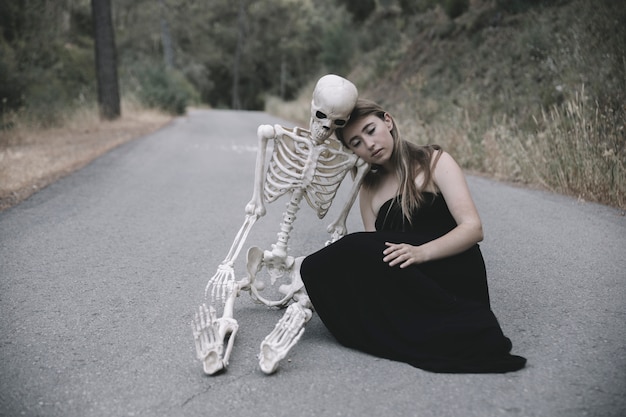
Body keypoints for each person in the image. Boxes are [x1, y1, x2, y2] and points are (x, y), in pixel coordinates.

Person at [300, 99, 526, 373]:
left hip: (451, 268)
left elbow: (472, 228)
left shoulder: (434, 161)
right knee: (314, 267)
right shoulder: (369, 189)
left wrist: (421, 252)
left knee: (352, 246)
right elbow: (376, 255)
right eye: (356, 142)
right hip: (409, 280)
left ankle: (451, 325)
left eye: (370, 130)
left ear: (388, 121)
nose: (368, 144)